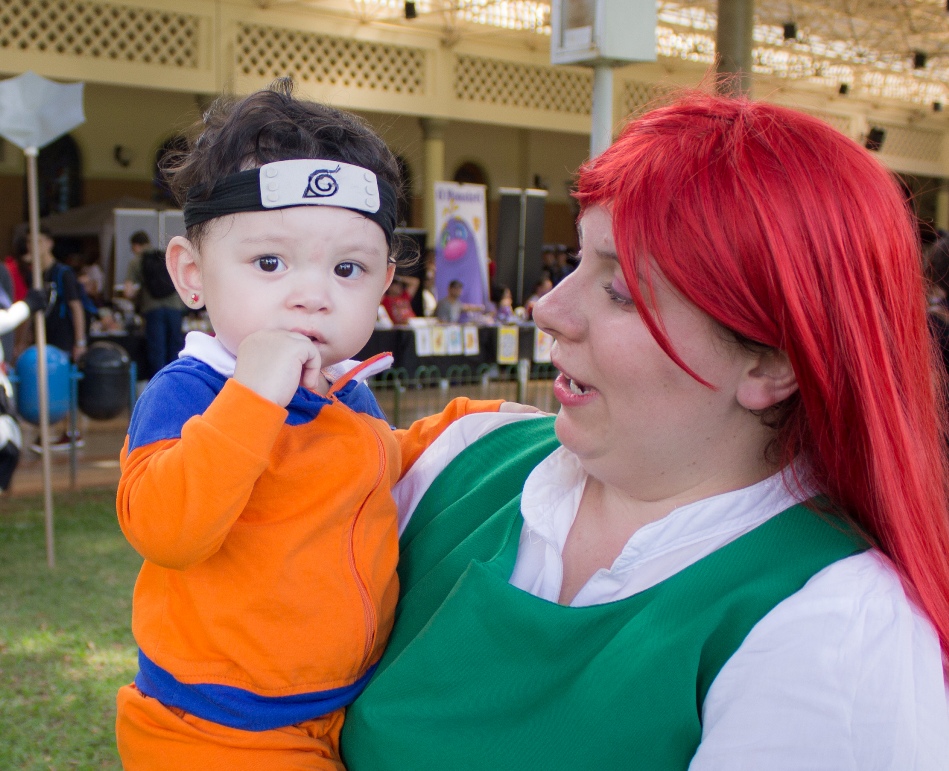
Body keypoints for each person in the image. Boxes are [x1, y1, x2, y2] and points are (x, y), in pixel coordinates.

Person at [341, 90, 949, 768]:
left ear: (771, 362)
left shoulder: (836, 628)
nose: (548, 309)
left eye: (622, 289)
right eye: (576, 262)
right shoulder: (459, 458)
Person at [113, 80, 519, 770]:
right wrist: (253, 394)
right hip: (219, 731)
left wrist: (463, 424)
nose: (312, 294)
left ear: (385, 281)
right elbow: (166, 528)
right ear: (191, 273)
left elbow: (362, 463)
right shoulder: (192, 391)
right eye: (269, 262)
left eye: (347, 268)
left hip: (340, 707)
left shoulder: (342, 391)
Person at [124, 230, 187, 378]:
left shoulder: (137, 260)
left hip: (153, 308)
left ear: (136, 246)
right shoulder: (165, 256)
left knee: (157, 350)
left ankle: (160, 383)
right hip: (175, 307)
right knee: (175, 348)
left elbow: (128, 291)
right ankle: (176, 381)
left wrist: (138, 293)